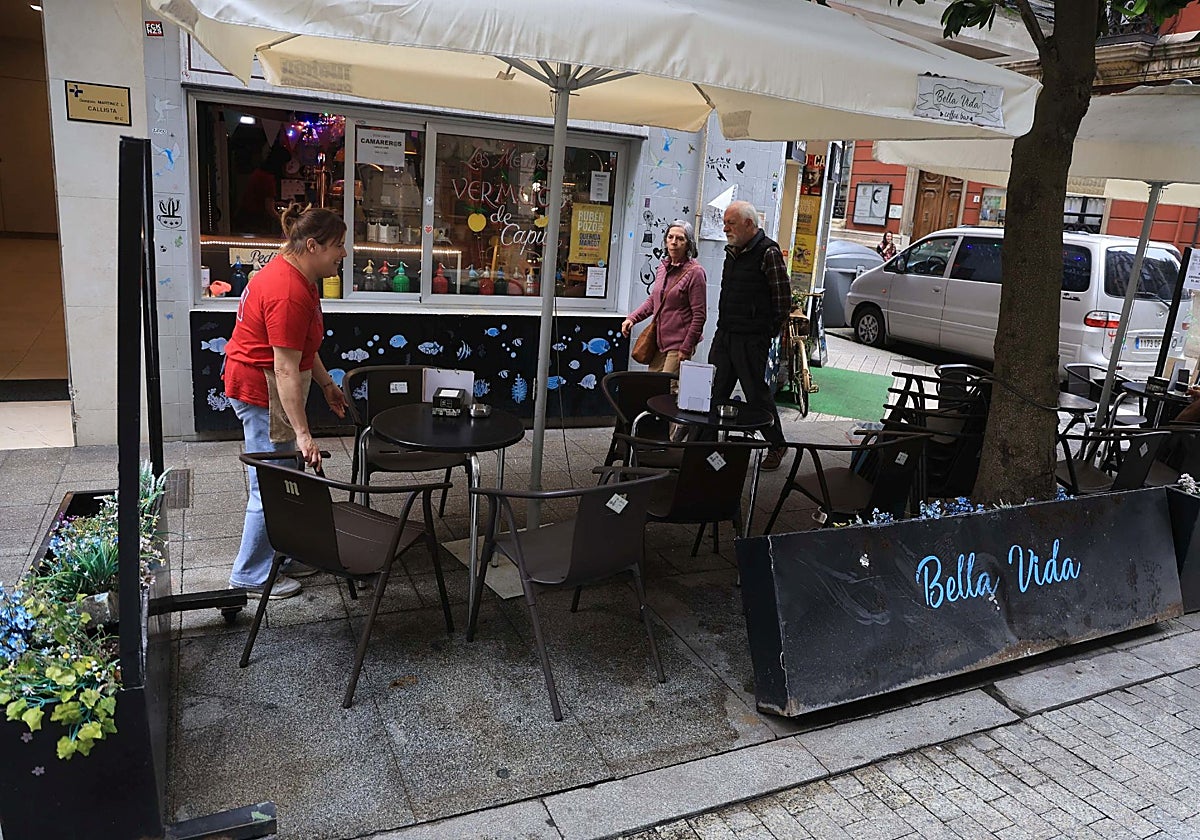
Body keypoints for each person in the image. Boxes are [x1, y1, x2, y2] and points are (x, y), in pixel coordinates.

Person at [223, 202, 349, 599]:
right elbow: (284, 368)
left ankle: (281, 551)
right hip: (260, 389)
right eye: (338, 245)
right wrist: (304, 434)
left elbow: (302, 345)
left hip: (268, 383)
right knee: (270, 482)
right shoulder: (288, 290)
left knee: (285, 473)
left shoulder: (299, 273)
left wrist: (327, 383)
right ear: (312, 245)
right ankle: (250, 574)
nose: (343, 254)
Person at [712, 200, 790, 470]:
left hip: (751, 338)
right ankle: (702, 448)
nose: (725, 228)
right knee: (715, 391)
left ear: (748, 223)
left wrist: (764, 331)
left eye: (730, 223)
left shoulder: (768, 252)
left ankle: (777, 445)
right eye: (724, 223)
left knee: (756, 394)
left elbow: (782, 300)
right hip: (726, 333)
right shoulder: (732, 252)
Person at [621, 220, 707, 376]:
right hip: (660, 342)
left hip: (679, 343)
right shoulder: (663, 267)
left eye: (680, 239)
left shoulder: (695, 272)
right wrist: (632, 318)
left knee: (668, 389)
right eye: (670, 237)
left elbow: (699, 316)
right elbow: (654, 300)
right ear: (665, 240)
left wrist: (686, 347)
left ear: (688, 244)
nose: (674, 242)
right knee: (652, 386)